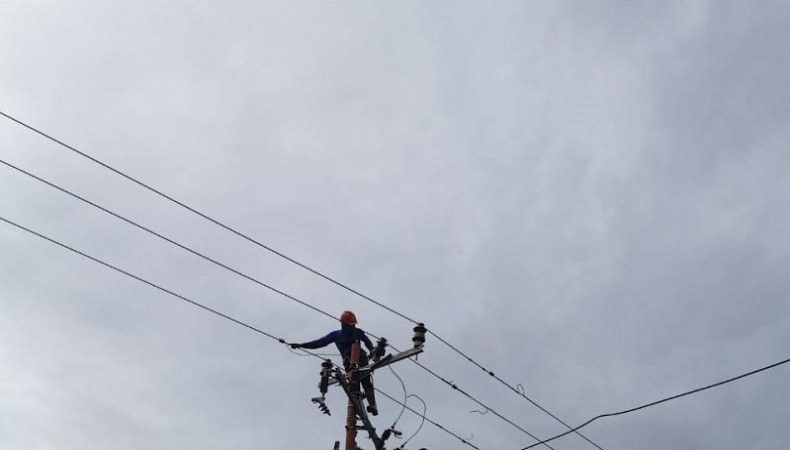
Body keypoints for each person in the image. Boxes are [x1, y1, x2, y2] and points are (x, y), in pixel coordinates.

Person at [290, 310, 378, 416]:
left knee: (366, 382)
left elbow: (367, 342)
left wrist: (372, 350)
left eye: (354, 324)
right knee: (353, 383)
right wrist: (302, 345)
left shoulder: (357, 332)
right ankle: (356, 405)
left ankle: (373, 405)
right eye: (351, 325)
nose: (353, 327)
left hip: (362, 359)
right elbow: (320, 342)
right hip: (348, 363)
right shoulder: (336, 335)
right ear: (344, 325)